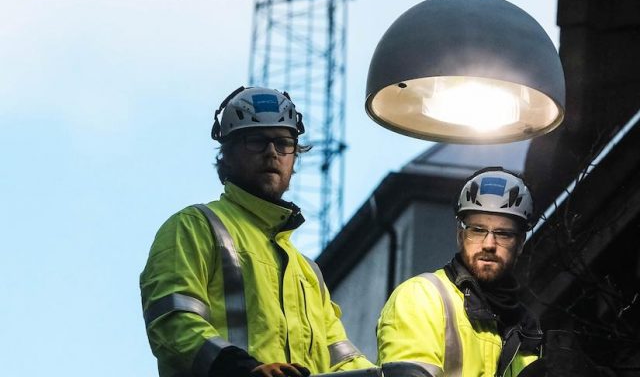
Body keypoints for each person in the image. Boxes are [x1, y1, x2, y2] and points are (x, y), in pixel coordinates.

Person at [140, 86, 375, 377]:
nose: (272, 153)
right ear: (226, 154)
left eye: (283, 143)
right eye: (256, 141)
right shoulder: (195, 226)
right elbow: (172, 321)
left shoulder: (307, 272)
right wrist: (243, 370)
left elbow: (339, 356)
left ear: (294, 157)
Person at [376, 167, 544, 377]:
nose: (489, 244)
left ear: (520, 244)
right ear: (460, 235)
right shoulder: (422, 297)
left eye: (503, 234)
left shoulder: (527, 331)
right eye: (478, 230)